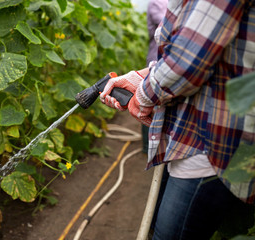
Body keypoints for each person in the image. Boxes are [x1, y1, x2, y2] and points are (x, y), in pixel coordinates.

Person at [100, 0, 255, 239]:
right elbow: (197, 45)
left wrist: (143, 96)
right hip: (200, 127)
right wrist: (141, 76)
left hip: (211, 137)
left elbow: (189, 59)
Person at [142, 0, 168, 153]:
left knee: (161, 104)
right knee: (149, 102)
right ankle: (147, 147)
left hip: (168, 62)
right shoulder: (156, 3)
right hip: (155, 59)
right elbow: (166, 25)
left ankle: (159, 145)